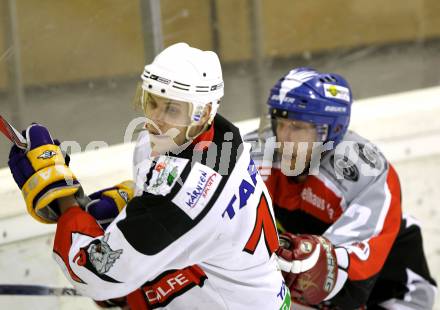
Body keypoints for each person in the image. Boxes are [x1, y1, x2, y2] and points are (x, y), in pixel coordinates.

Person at [7, 43, 290, 309]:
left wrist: (62, 199)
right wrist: (131, 203)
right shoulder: (222, 137)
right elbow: (174, 207)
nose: (156, 119)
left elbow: (97, 274)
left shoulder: (186, 194)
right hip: (243, 290)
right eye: (152, 102)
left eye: (173, 109)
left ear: (204, 114)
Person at [244, 67, 437, 309]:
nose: (285, 137)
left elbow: (328, 279)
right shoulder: (258, 153)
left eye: (298, 126)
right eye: (280, 123)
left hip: (392, 295)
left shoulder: (364, 172)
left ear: (330, 130)